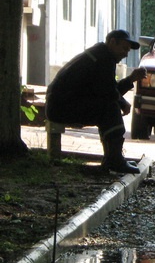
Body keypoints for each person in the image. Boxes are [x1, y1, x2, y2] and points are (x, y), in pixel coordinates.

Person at [46, 30, 147, 174]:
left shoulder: (100, 54)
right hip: (61, 107)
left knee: (109, 106)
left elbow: (107, 89)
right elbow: (109, 93)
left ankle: (112, 158)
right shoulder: (102, 58)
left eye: (128, 51)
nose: (125, 54)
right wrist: (123, 102)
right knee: (110, 108)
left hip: (62, 104)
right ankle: (115, 160)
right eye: (124, 48)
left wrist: (130, 80)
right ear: (112, 42)